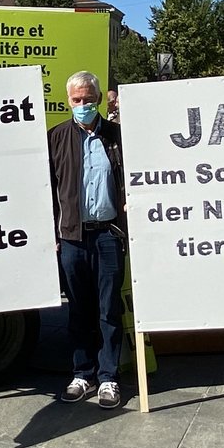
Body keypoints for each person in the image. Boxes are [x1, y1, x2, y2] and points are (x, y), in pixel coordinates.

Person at [48, 71, 127, 409]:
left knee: (109, 309)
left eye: (89, 100)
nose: (83, 105)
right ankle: (82, 373)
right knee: (78, 309)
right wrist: (52, 232)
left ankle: (108, 377)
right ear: (68, 100)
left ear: (99, 100)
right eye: (77, 100)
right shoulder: (56, 137)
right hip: (72, 237)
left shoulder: (117, 136)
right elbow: (46, 189)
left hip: (108, 235)